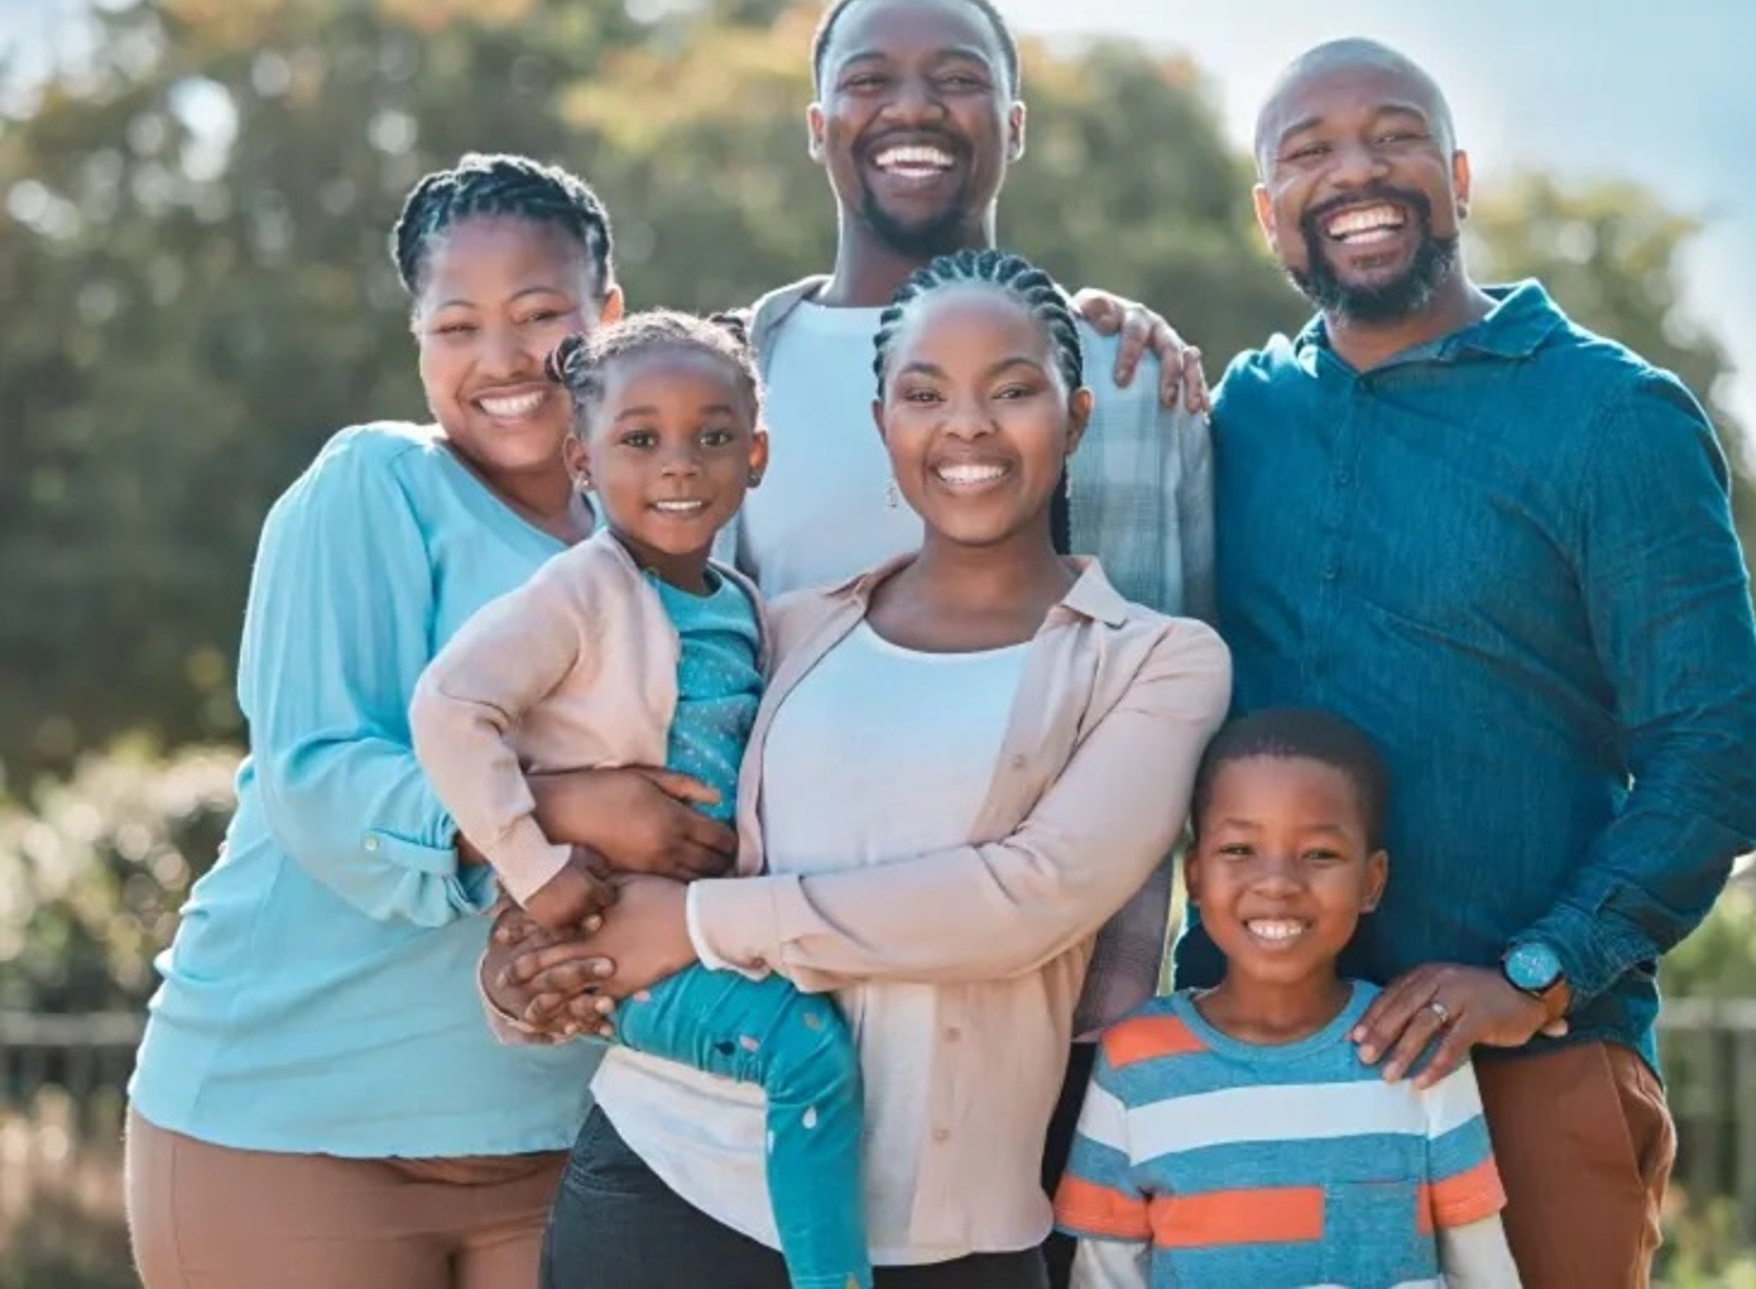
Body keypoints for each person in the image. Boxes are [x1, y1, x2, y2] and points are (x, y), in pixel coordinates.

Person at [488, 249, 1231, 1289]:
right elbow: (641, 813)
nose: (966, 426)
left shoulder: (1157, 661)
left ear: (1074, 421)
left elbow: (1027, 900)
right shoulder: (783, 629)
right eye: (926, 395)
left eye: (1012, 391)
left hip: (948, 1239)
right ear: (885, 426)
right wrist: (537, 956)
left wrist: (699, 927)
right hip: (666, 1181)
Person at [1180, 39, 1756, 1287]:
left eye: (1394, 138)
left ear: (1456, 175)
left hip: (1530, 1073)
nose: (1356, 172)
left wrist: (1536, 972)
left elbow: (1713, 761)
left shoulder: (1611, 419)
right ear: (1265, 212)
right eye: (1310, 152)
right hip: (1259, 1070)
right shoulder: (1234, 419)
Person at [123, 153, 736, 1289]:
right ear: (417, 340)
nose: (500, 360)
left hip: (569, 1137)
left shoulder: (680, 537)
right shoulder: (369, 490)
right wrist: (563, 811)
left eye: (541, 317)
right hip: (288, 1129)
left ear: (609, 317)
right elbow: (316, 779)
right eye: (456, 326)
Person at [723, 0, 1217, 1280]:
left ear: (1014, 122)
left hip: (1032, 1007)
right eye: (871, 77)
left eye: (954, 75)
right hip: (765, 990)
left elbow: (1167, 680)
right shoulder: (732, 375)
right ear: (816, 122)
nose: (912, 104)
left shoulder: (1115, 375)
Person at [408, 312, 873, 1289]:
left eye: (712, 438)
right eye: (639, 439)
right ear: (581, 459)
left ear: (757, 455)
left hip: (700, 921)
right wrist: (535, 871)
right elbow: (450, 710)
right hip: (598, 934)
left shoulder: (740, 602)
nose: (679, 465)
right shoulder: (582, 589)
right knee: (806, 1055)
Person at [1057, 708, 1521, 1288]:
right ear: (1195, 875)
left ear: (1372, 881)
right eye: (1239, 851)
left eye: (1319, 854)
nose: (1276, 881)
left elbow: (1482, 1267)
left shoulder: (1412, 1045)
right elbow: (1105, 1275)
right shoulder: (1135, 1060)